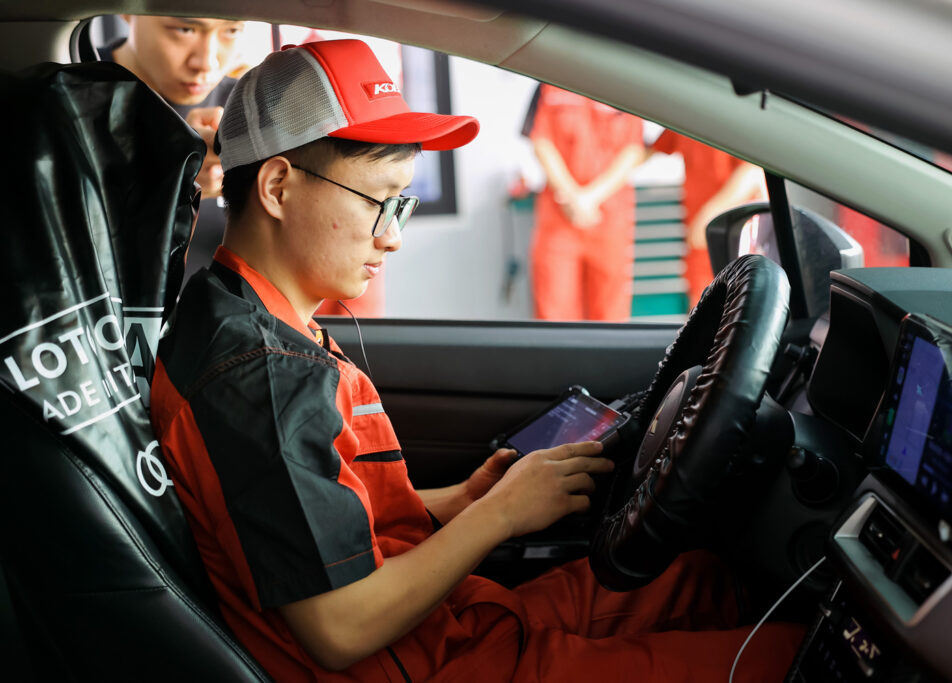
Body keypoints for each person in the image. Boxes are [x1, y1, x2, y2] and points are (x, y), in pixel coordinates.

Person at [150, 39, 803, 682]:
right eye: (378, 202)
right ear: (277, 187)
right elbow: (339, 628)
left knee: (699, 579)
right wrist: (501, 515)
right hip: (434, 662)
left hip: (444, 625)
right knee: (784, 662)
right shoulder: (260, 373)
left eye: (401, 205)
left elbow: (315, 512)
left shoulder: (249, 316)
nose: (392, 237)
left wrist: (459, 501)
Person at [99, 15, 245, 283]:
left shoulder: (248, 107)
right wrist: (170, 182)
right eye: (185, 29)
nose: (207, 63)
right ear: (128, 12)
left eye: (232, 30)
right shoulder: (73, 96)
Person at [526, 84, 646, 321]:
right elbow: (540, 142)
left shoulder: (626, 84)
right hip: (559, 219)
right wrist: (572, 196)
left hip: (610, 219)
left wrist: (590, 198)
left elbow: (634, 149)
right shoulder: (547, 82)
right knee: (554, 312)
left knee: (611, 316)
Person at [648, 130, 766, 302]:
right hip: (701, 244)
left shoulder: (734, 122)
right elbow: (645, 150)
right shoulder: (685, 120)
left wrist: (710, 216)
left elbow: (752, 173)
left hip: (733, 241)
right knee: (702, 307)